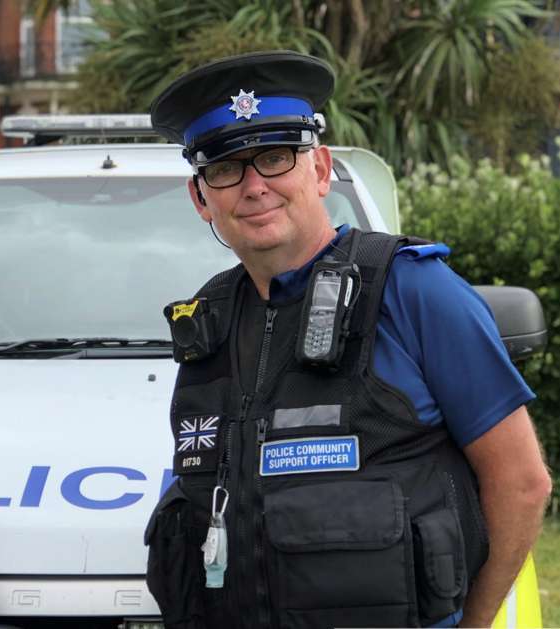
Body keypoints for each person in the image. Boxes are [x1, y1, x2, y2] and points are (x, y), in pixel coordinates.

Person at [143, 50, 551, 628]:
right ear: (201, 196)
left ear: (319, 168)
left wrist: (475, 622)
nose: (254, 186)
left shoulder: (413, 289)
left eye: (276, 157)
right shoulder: (207, 317)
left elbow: (522, 482)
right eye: (226, 168)